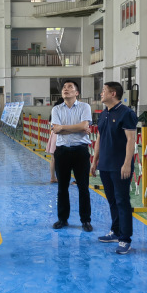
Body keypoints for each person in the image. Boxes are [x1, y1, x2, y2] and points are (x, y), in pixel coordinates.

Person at [90, 82, 138, 255]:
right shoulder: (104, 114)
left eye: (104, 91)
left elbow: (131, 140)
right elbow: (100, 138)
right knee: (111, 200)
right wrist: (95, 160)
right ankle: (115, 231)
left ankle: (125, 239)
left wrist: (126, 163)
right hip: (105, 164)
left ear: (113, 93)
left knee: (122, 201)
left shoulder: (126, 113)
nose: (101, 93)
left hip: (120, 165)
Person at [51, 81, 93, 231]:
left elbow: (84, 126)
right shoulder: (56, 109)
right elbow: (56, 130)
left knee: (83, 187)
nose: (66, 89)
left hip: (80, 151)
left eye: (70, 87)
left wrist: (62, 127)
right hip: (62, 151)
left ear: (76, 93)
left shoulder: (84, 107)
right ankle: (62, 219)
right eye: (64, 87)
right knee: (62, 187)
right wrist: (78, 128)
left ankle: (85, 220)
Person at [45, 98, 65, 183]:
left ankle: (53, 177)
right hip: (61, 136)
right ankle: (61, 177)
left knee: (53, 159)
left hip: (53, 136)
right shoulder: (62, 112)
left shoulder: (53, 113)